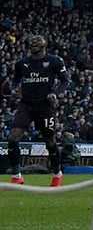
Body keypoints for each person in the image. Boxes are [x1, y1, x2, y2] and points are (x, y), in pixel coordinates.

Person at [7, 34, 66, 186]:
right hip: (26, 105)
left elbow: (65, 81)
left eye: (38, 40)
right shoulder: (22, 63)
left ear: (45, 44)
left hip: (44, 106)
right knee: (13, 138)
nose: (34, 42)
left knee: (50, 142)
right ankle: (16, 176)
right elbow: (15, 81)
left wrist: (55, 93)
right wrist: (14, 90)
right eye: (32, 40)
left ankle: (58, 173)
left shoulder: (54, 61)